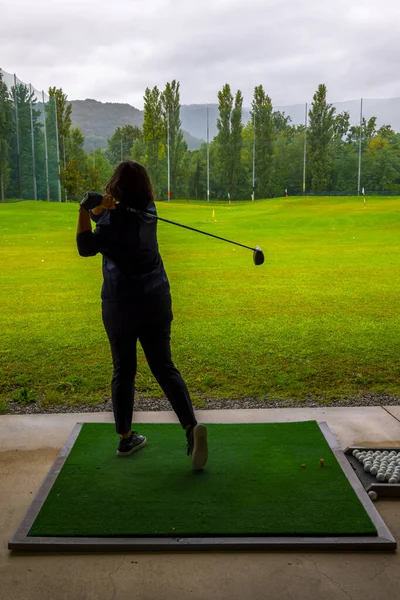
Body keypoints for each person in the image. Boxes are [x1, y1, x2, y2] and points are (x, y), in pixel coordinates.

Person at [76, 160, 208, 470]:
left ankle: (125, 438)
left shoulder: (113, 222)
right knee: (163, 365)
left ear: (115, 187)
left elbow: (85, 247)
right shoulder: (149, 210)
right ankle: (191, 429)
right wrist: (103, 211)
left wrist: (85, 209)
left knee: (124, 369)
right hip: (155, 300)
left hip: (120, 304)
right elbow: (116, 220)